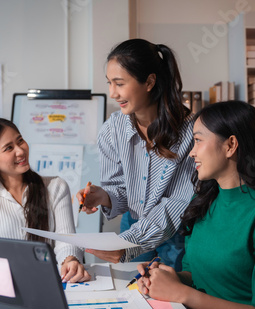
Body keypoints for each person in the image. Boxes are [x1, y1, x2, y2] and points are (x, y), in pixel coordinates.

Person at [136, 101, 255, 309]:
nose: (191, 152)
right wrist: (169, 279)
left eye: (199, 140)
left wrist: (182, 293)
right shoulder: (204, 201)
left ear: (231, 145)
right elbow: (195, 275)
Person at [77, 38, 195, 270]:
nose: (112, 93)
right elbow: (121, 189)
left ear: (150, 81)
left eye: (119, 83)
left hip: (178, 231)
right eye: (109, 83)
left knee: (173, 300)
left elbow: (179, 202)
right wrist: (102, 195)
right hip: (133, 224)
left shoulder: (191, 131)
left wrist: (132, 243)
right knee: (131, 295)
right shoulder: (113, 128)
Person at [0, 118, 91, 283]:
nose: (20, 151)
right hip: (1, 285)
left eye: (20, 141)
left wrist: (70, 261)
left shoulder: (56, 187)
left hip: (46, 283)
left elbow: (65, 241)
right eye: (9, 148)